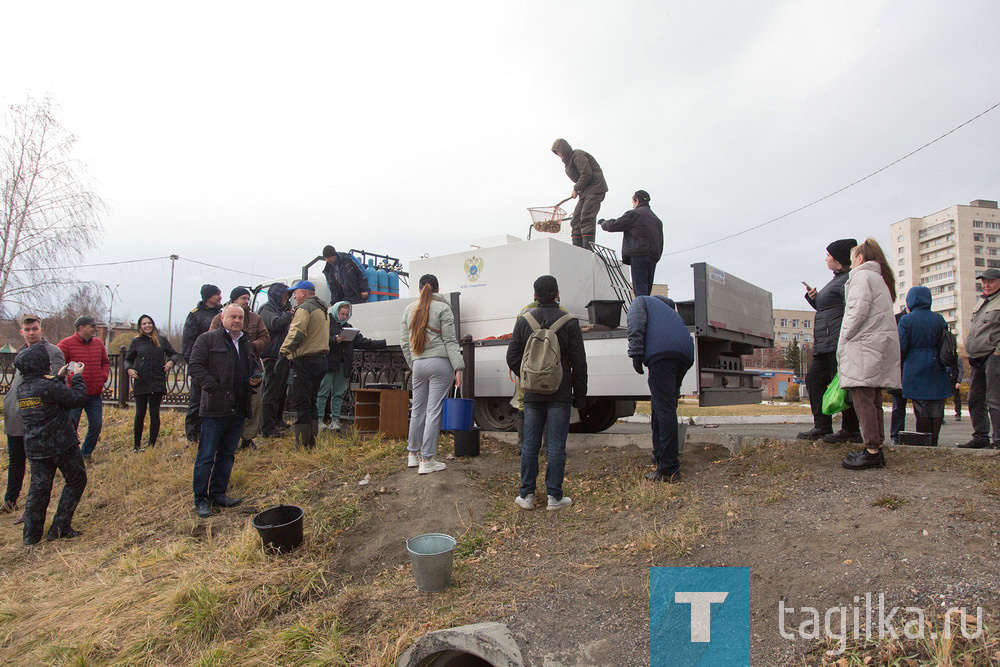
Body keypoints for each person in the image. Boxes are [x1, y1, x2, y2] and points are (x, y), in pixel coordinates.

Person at [506, 275, 587, 509]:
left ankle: (527, 496)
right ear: (557, 294)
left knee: (530, 444)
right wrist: (580, 395)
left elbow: (512, 356)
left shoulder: (524, 320)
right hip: (560, 393)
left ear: (535, 295)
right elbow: (579, 362)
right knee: (556, 445)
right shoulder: (570, 322)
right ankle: (555, 497)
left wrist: (529, 376)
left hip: (531, 394)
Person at [187, 304, 262, 519]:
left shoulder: (246, 343)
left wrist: (255, 377)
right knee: (206, 456)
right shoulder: (208, 339)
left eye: (240, 317)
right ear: (222, 318)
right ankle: (201, 499)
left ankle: (218, 494)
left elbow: (254, 366)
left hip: (238, 407)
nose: (237, 320)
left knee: (227, 454)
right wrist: (214, 388)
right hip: (214, 408)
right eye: (233, 317)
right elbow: (195, 367)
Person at [14, 343, 89, 544]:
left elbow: (47, 395)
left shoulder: (22, 389)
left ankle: (31, 536)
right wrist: (78, 377)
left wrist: (60, 377)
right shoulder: (49, 385)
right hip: (62, 445)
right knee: (76, 479)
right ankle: (59, 528)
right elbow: (77, 399)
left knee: (38, 490)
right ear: (41, 364)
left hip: (35, 448)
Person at [837, 238, 901, 470]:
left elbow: (856, 311)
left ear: (860, 258)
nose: (851, 263)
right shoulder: (879, 278)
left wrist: (843, 338)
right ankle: (875, 448)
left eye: (852, 259)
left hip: (863, 346)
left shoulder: (861, 276)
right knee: (872, 399)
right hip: (875, 345)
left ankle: (872, 449)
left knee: (862, 398)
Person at [796, 239, 862, 443]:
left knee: (843, 386)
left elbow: (851, 309)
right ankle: (822, 426)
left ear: (839, 259)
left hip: (838, 343)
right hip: (825, 344)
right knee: (814, 380)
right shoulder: (836, 280)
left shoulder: (848, 280)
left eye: (829, 255)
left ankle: (851, 430)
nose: (826, 258)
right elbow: (829, 311)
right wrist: (814, 299)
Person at [2, 315, 65, 523]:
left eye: (34, 329)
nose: (31, 332)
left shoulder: (52, 352)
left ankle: (31, 510)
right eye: (27, 329)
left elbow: (54, 384)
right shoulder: (21, 353)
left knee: (38, 467)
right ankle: (10, 500)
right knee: (16, 461)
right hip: (15, 416)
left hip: (37, 420)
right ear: (22, 331)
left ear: (41, 330)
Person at [400, 274, 464, 474]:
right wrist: (458, 368)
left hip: (418, 363)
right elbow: (450, 341)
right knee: (433, 410)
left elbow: (404, 342)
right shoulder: (444, 308)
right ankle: (427, 460)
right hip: (440, 364)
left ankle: (412, 454)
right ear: (437, 289)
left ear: (419, 289)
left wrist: (414, 363)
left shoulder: (409, 310)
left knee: (418, 409)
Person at [628, 296, 694, 482]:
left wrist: (636, 354)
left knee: (664, 409)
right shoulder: (669, 313)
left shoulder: (641, 301)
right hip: (685, 354)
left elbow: (635, 325)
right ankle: (660, 455)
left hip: (663, 354)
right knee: (663, 406)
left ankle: (669, 469)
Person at [209, 287, 270, 449]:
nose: (246, 301)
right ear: (234, 299)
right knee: (230, 403)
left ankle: (248, 438)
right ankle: (228, 437)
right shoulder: (219, 318)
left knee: (253, 403)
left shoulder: (255, 318)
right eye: (243, 298)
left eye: (248, 298)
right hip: (227, 369)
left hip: (252, 366)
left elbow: (265, 337)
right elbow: (211, 339)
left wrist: (249, 347)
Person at [318, 301, 386, 431]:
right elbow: (320, 339)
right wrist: (334, 340)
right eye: (342, 313)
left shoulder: (348, 327)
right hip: (328, 364)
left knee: (337, 393)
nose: (344, 316)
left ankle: (335, 419)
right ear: (336, 312)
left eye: (346, 314)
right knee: (323, 392)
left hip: (343, 364)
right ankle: (319, 419)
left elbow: (362, 341)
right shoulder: (326, 323)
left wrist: (381, 343)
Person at [898, 286, 951, 446]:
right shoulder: (938, 318)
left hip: (915, 365)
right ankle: (934, 441)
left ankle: (922, 439)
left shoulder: (906, 320)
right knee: (936, 405)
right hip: (937, 364)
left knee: (920, 406)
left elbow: (902, 346)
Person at [280, 280, 330, 450]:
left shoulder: (304, 308)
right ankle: (311, 443)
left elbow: (297, 333)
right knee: (312, 402)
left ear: (303, 292)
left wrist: (283, 352)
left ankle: (301, 445)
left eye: (295, 293)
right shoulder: (323, 309)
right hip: (321, 359)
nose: (294, 296)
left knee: (301, 403)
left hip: (305, 360)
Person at [124, 315, 181, 452]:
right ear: (140, 326)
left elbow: (174, 354)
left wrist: (170, 361)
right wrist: (129, 369)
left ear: (153, 324)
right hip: (141, 381)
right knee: (140, 413)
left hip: (157, 381)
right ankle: (136, 446)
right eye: (144, 324)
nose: (147, 326)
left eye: (149, 323)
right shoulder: (136, 341)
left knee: (154, 413)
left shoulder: (161, 340)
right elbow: (128, 360)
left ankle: (152, 445)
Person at [58, 316, 110, 462]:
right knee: (71, 427)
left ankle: (85, 454)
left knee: (96, 425)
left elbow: (105, 362)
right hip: (74, 394)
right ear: (81, 328)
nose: (94, 329)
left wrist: (103, 376)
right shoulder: (66, 344)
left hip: (94, 394)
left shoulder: (98, 344)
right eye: (91, 326)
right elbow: (58, 365)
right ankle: (70, 456)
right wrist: (69, 379)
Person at [961, 267, 1000, 449]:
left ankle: (998, 441)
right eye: (984, 282)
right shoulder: (982, 302)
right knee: (975, 399)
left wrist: (997, 351)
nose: (986, 285)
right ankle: (980, 437)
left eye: (990, 281)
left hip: (994, 357)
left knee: (994, 399)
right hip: (977, 357)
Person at [598, 190, 664, 297]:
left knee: (640, 292)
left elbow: (614, 225)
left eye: (633, 203)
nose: (633, 206)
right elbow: (661, 242)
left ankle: (641, 312)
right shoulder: (656, 220)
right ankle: (646, 311)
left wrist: (603, 223)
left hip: (638, 255)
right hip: (653, 257)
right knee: (646, 291)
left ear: (636, 200)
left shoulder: (634, 214)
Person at [182, 284, 223, 442]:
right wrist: (195, 365)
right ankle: (193, 435)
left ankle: (212, 433)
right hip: (201, 366)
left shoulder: (222, 313)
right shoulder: (195, 315)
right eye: (216, 295)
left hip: (218, 366)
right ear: (207, 297)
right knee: (196, 400)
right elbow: (188, 343)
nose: (220, 297)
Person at [551, 139, 608, 250]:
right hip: (584, 191)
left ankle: (587, 248)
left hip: (595, 188)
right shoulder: (567, 162)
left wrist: (576, 188)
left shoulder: (578, 155)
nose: (559, 154)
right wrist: (579, 189)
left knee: (586, 216)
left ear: (564, 149)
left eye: (559, 151)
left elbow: (587, 174)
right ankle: (577, 249)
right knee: (575, 219)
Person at [258, 282, 294, 437]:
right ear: (277, 295)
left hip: (283, 355)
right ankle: (266, 428)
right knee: (270, 393)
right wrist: (289, 315)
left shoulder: (280, 310)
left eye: (288, 295)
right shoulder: (267, 309)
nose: (287, 298)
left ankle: (277, 420)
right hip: (271, 356)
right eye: (285, 295)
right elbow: (275, 324)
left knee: (281, 392)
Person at [888, 309, 908, 444]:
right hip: (898, 367)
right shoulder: (895, 319)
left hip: (913, 366)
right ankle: (896, 436)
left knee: (919, 404)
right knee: (898, 405)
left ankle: (920, 436)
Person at [951, 355, 965, 422]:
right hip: (945, 379)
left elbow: (961, 370)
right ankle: (940, 416)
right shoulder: (943, 357)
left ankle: (958, 414)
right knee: (941, 398)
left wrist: (959, 381)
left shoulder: (957, 358)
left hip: (954, 380)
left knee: (956, 398)